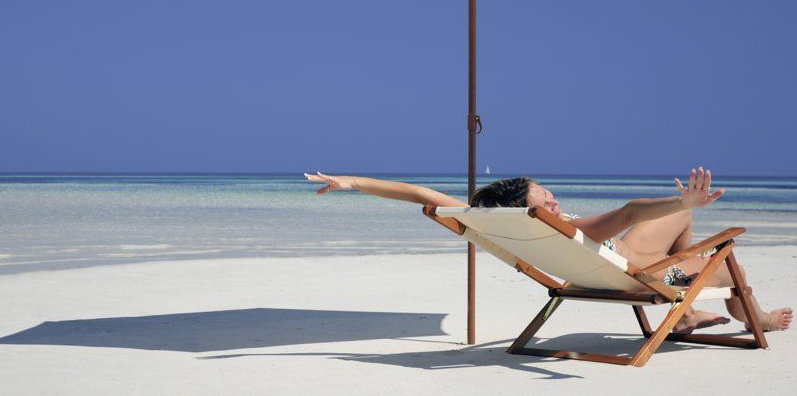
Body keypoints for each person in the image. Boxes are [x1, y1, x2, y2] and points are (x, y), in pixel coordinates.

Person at [305, 167, 792, 333]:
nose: (554, 200)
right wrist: (677, 199)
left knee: (683, 218)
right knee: (723, 255)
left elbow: (420, 195)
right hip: (645, 276)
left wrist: (353, 181)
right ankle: (755, 318)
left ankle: (683, 319)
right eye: (545, 197)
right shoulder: (565, 228)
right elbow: (628, 211)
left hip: (604, 268)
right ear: (529, 206)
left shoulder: (502, 225)